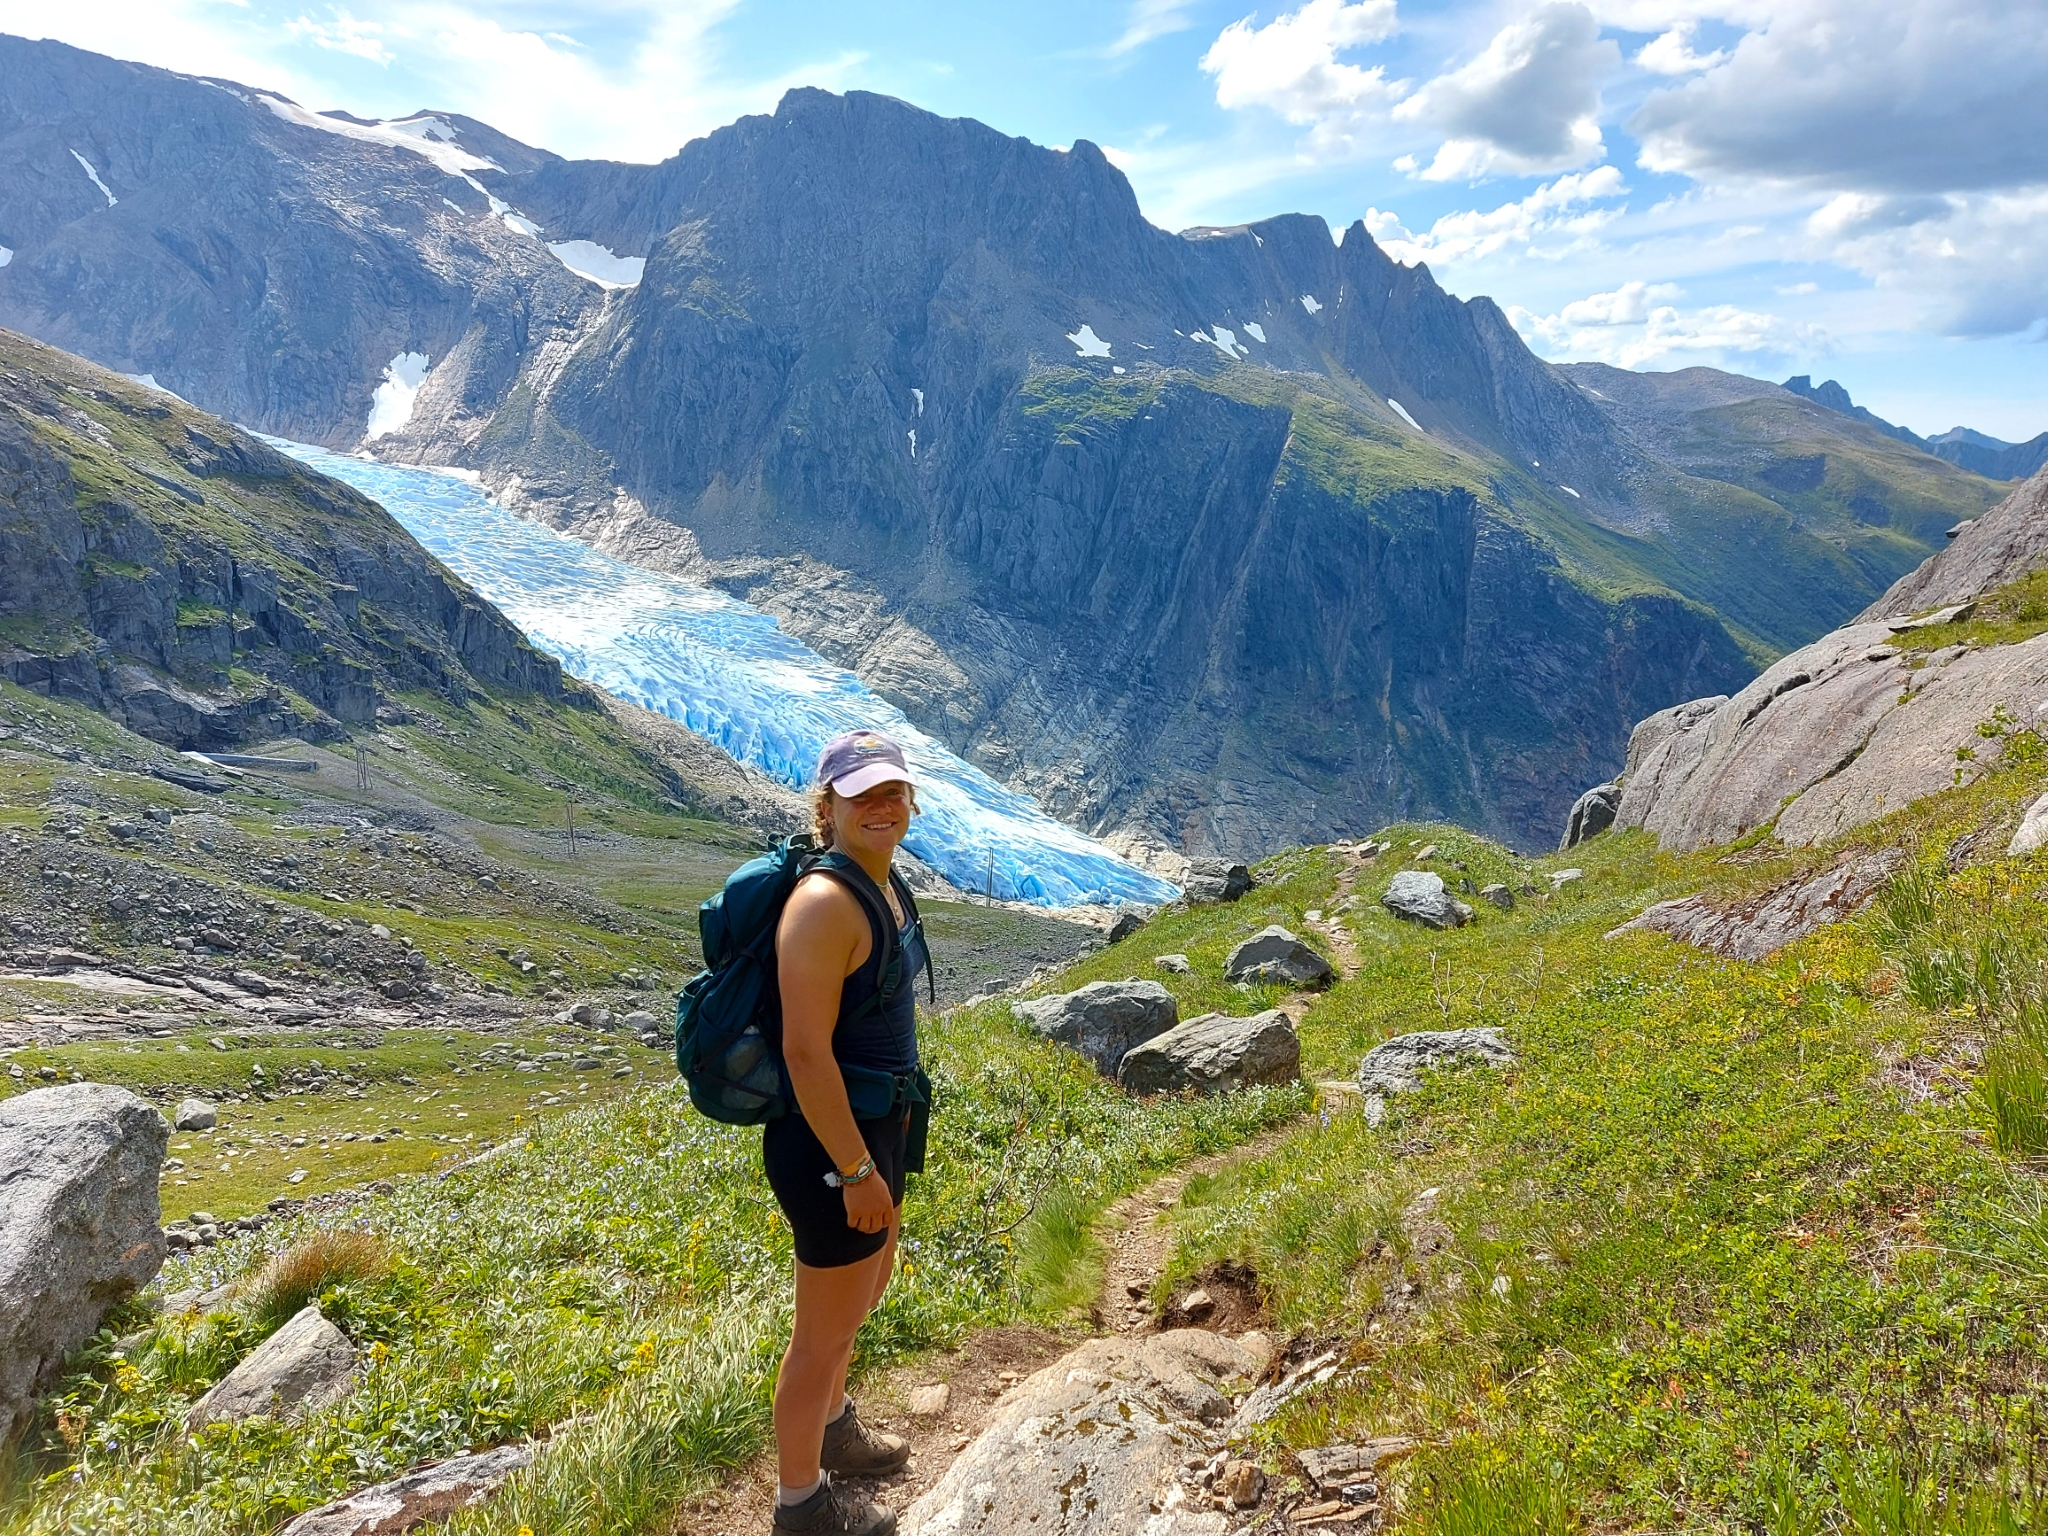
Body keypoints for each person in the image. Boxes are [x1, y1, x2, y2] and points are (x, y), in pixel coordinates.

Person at [765, 729, 933, 1536]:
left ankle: (835, 1432)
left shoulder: (882, 883)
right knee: (819, 1336)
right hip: (833, 1147)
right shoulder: (825, 903)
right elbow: (803, 1052)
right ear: (825, 806)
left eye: (893, 791)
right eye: (862, 792)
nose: (881, 805)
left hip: (874, 1132)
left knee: (859, 1300)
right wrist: (858, 1169)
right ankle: (801, 1505)